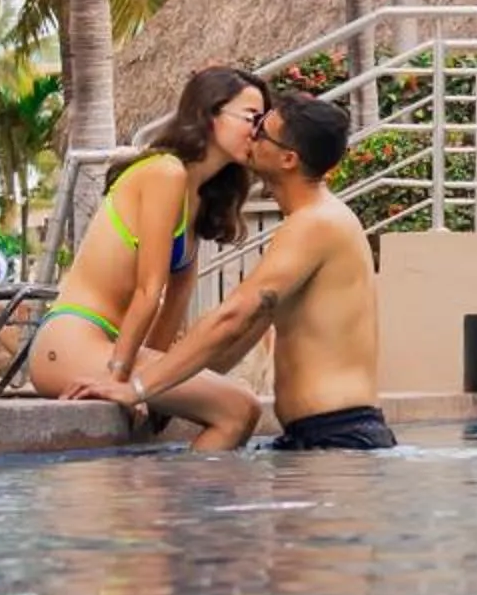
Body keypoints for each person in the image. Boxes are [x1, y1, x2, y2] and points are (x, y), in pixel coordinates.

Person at [71, 92, 390, 452]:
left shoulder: (315, 223)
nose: (251, 135)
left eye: (262, 132)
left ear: (288, 159)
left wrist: (138, 387)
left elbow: (233, 316)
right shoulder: (313, 222)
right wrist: (168, 392)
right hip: (324, 436)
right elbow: (243, 333)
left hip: (338, 441)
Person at [30, 64, 267, 451]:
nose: (257, 131)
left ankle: (172, 505)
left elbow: (175, 302)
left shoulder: (199, 196)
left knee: (240, 405)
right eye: (251, 118)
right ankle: (182, 509)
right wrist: (123, 378)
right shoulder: (165, 173)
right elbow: (149, 290)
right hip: (71, 341)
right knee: (238, 408)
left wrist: (154, 379)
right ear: (210, 113)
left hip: (110, 346)